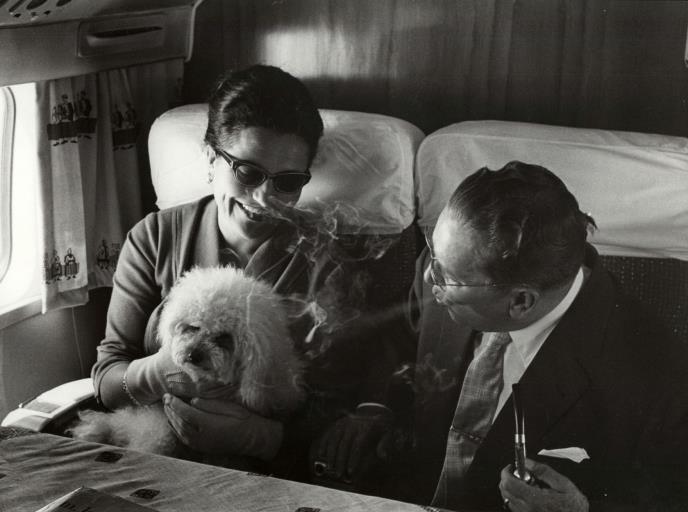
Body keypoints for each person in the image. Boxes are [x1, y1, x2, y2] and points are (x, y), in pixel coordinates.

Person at [92, 65, 399, 478]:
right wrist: (156, 373)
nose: (265, 197)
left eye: (287, 181)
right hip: (154, 454)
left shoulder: (329, 260)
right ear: (210, 157)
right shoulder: (154, 238)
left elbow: (342, 407)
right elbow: (107, 382)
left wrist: (263, 438)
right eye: (248, 172)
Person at [395, 161, 688, 511]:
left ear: (521, 301)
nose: (430, 277)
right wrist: (376, 408)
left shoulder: (657, 372)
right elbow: (403, 340)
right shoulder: (450, 260)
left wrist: (581, 510)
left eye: (448, 277)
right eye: (434, 254)